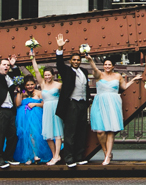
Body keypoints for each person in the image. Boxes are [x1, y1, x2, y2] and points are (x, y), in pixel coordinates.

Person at [86, 54, 139, 165]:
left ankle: (108, 155)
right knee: (100, 132)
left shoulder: (118, 76)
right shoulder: (99, 74)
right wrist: (91, 60)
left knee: (110, 131)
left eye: (109, 64)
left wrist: (134, 79)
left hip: (113, 103)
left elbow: (124, 87)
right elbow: (94, 69)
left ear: (113, 66)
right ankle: (106, 152)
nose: (107, 66)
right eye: (105, 64)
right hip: (100, 102)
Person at [55, 34, 91, 168]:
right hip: (71, 104)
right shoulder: (66, 71)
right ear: (70, 61)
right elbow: (59, 63)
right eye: (74, 60)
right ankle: (69, 158)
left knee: (82, 131)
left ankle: (79, 156)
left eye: (78, 60)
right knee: (70, 132)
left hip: (82, 103)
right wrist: (60, 48)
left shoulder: (84, 71)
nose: (76, 62)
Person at [13, 76, 53, 165]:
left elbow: (44, 104)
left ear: (35, 84)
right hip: (23, 117)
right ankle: (28, 156)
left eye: (32, 84)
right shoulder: (22, 93)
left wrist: (35, 104)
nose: (30, 86)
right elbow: (18, 103)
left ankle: (36, 154)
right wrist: (19, 92)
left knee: (35, 134)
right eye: (27, 85)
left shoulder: (39, 93)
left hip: (36, 116)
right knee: (24, 135)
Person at [32, 52, 63, 165]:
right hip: (46, 110)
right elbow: (36, 71)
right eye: (45, 75)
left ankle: (56, 156)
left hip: (55, 108)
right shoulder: (42, 84)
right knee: (48, 134)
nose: (47, 77)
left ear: (53, 75)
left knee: (57, 133)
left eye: (49, 75)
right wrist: (33, 59)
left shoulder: (58, 85)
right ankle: (55, 154)